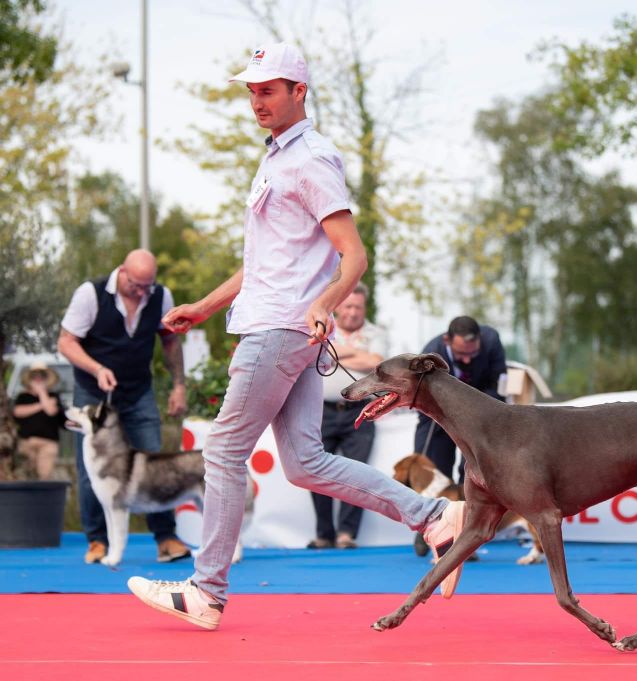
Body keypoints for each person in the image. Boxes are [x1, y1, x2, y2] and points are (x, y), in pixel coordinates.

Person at [125, 42, 464, 631]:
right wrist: (204, 307)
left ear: (298, 92)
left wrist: (325, 305)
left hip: (279, 331)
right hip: (281, 327)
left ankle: (206, 592)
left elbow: (353, 256)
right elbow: (266, 263)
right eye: (252, 90)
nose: (257, 100)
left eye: (269, 89)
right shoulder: (277, 159)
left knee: (224, 452)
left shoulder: (309, 159)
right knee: (305, 462)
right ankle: (434, 514)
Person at [57, 249, 192, 565]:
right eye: (136, 285)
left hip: (138, 391)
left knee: (155, 462)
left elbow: (170, 341)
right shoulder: (90, 294)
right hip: (94, 393)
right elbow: (65, 342)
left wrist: (179, 385)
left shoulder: (161, 296)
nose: (143, 292)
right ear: (123, 272)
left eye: (149, 285)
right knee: (92, 468)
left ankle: (166, 538)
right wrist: (96, 368)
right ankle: (97, 542)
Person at [307, 282, 388, 550]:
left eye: (358, 307)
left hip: (361, 411)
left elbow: (377, 363)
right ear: (339, 306)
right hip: (322, 411)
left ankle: (346, 533)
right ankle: (324, 533)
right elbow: (317, 355)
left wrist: (337, 354)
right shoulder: (323, 327)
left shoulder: (377, 332)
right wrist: (358, 355)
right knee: (316, 470)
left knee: (358, 473)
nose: (353, 312)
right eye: (349, 306)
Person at [415, 315, 507, 482]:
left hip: (480, 414)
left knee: (476, 474)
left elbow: (498, 388)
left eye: (473, 353)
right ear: (446, 340)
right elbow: (423, 400)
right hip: (440, 414)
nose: (467, 359)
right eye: (461, 354)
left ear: (480, 339)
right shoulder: (431, 355)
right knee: (434, 470)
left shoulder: (491, 341)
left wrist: (471, 412)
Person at [12, 362, 66, 479]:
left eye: (41, 376)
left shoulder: (53, 396)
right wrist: (41, 404)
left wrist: (42, 392)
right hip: (27, 442)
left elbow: (51, 411)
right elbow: (17, 412)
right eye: (34, 376)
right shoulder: (22, 397)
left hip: (48, 443)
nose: (38, 379)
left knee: (44, 475)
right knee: (25, 474)